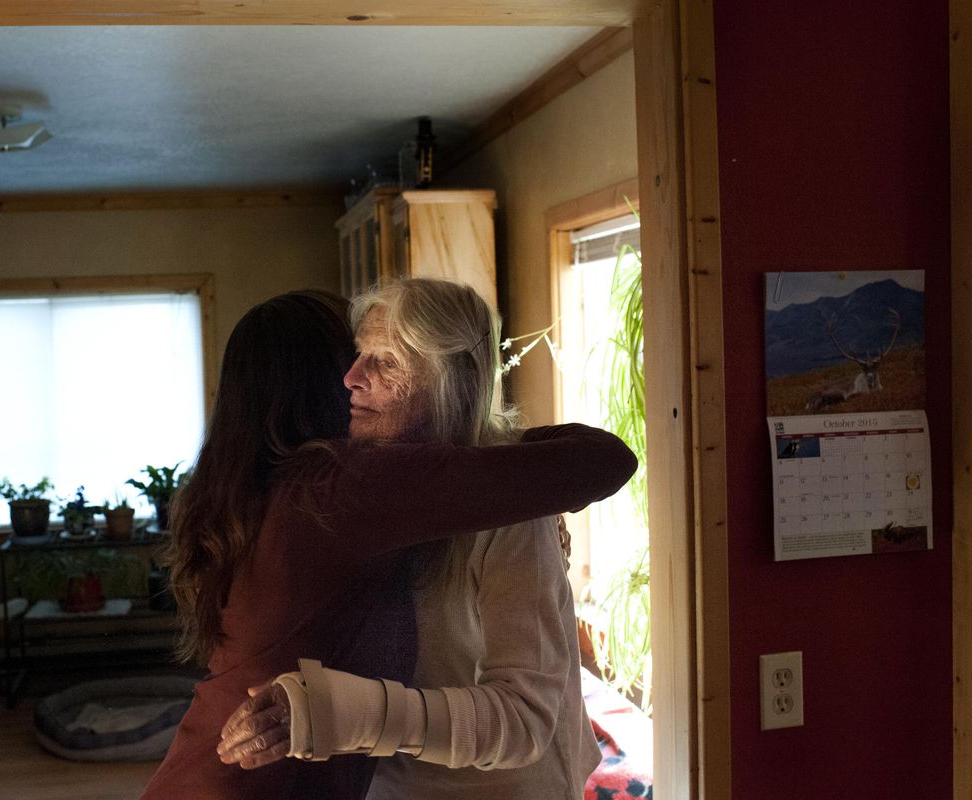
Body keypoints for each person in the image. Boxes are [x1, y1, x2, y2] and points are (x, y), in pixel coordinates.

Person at [141, 287, 636, 800]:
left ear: (447, 380)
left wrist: (497, 449)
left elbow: (523, 719)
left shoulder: (487, 506)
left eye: (384, 360)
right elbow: (595, 459)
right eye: (352, 356)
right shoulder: (347, 487)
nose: (352, 378)